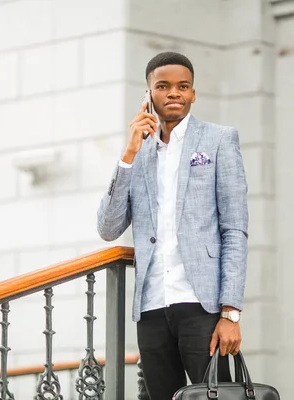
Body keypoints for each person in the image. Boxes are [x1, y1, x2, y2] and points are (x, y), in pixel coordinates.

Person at [96, 51, 249, 399]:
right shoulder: (139, 153)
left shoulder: (219, 140)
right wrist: (128, 154)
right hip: (151, 306)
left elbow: (234, 230)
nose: (174, 93)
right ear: (148, 94)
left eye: (183, 86)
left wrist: (231, 312)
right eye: (163, 86)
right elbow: (108, 227)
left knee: (216, 396)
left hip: (202, 304)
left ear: (194, 93)